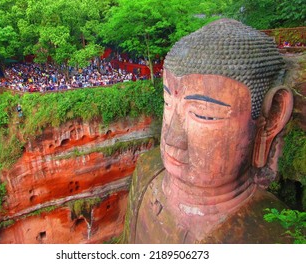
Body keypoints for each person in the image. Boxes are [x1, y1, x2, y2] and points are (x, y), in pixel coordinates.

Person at [124, 19, 294, 244]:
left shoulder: (274, 237)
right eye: (167, 102)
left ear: (271, 118)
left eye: (203, 114)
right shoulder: (147, 171)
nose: (171, 138)